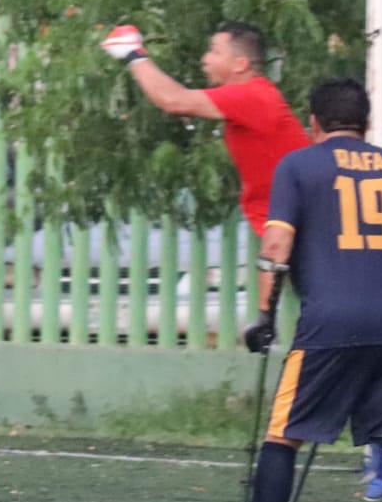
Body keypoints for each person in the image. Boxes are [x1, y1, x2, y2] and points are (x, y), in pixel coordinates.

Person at [202, 78, 382, 502]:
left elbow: (277, 243)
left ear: (313, 123)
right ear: (368, 123)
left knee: (281, 437)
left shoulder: (298, 166)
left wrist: (264, 314)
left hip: (331, 324)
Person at [99, 21, 309, 304]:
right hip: (300, 230)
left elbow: (173, 100)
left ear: (240, 64)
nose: (205, 59)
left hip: (308, 230)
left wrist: (133, 52)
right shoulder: (254, 98)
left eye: (214, 51)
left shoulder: (251, 95)